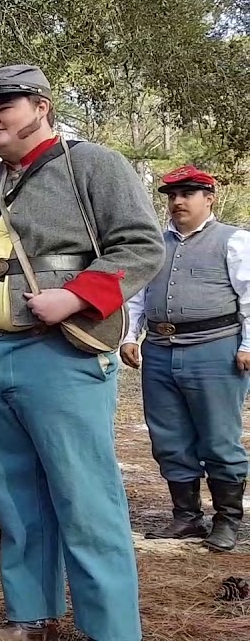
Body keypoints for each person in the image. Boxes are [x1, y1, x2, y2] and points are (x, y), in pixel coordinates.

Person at [0, 64, 165, 641]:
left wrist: (77, 295)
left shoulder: (94, 165)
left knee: (85, 499)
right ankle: (30, 614)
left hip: (61, 355)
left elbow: (140, 244)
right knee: (12, 496)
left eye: (4, 105)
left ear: (41, 104)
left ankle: (110, 629)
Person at [121, 165, 250, 552]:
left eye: (187, 194)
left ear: (208, 198)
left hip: (215, 349)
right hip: (159, 351)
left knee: (218, 436)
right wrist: (129, 336)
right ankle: (186, 517)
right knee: (169, 436)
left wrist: (248, 345)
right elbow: (138, 294)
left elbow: (249, 296)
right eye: (172, 195)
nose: (177, 201)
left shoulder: (234, 241)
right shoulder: (155, 245)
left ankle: (227, 519)